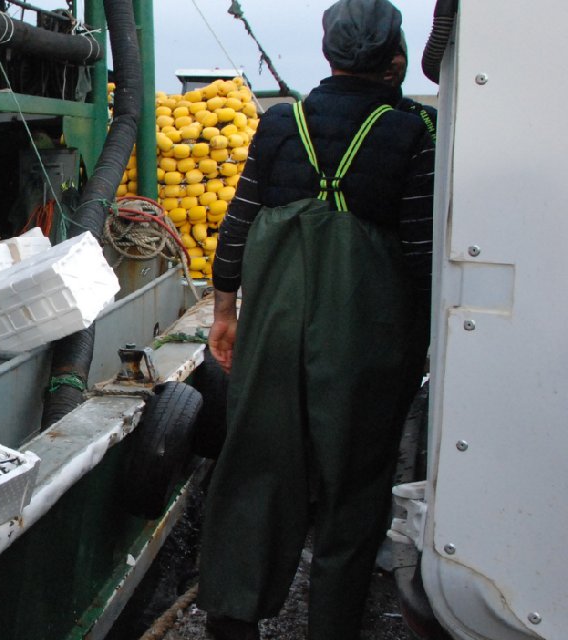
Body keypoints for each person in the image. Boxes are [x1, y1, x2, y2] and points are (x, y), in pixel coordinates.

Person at [198, 0, 435, 638]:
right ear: (396, 59)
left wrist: (225, 311)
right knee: (355, 478)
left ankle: (232, 615)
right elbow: (420, 251)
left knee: (257, 458)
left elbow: (239, 222)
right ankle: (331, 624)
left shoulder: (283, 123)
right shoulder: (413, 131)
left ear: (328, 54)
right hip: (367, 334)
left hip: (274, 321)